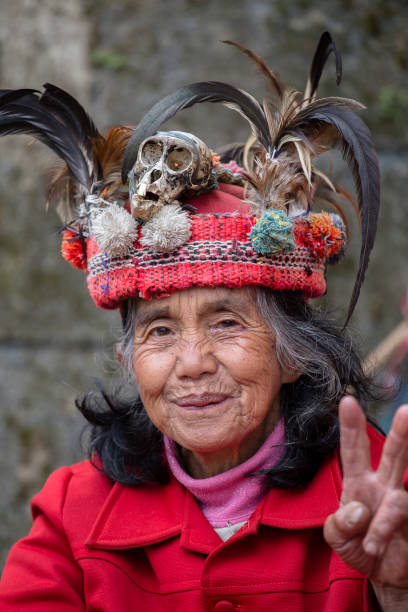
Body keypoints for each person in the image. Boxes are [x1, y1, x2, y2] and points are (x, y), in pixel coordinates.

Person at [0, 32, 407, 611]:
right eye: (159, 331)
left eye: (226, 324)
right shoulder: (72, 514)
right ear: (128, 359)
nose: (191, 364)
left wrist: (397, 595)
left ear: (295, 355)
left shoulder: (386, 502)